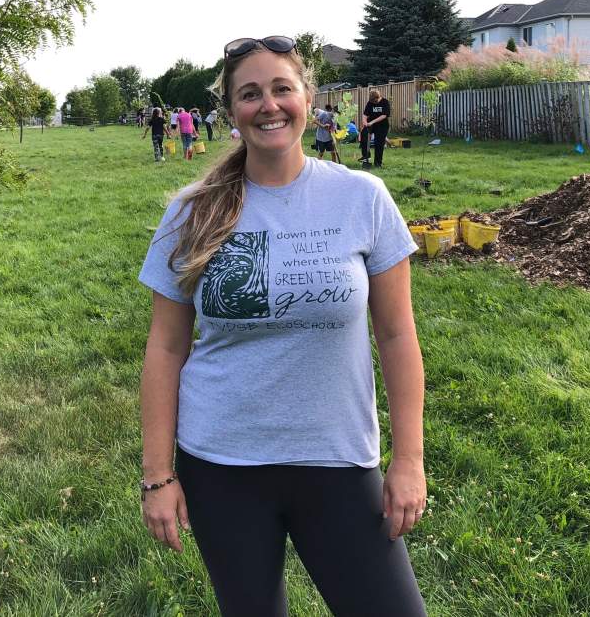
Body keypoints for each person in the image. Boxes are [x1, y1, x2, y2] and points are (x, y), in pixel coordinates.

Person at [138, 35, 427, 616]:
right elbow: (165, 349)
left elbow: (397, 336)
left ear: (307, 98)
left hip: (338, 459)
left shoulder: (361, 198)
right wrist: (157, 476)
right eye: (249, 94)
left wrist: (409, 459)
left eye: (281, 89)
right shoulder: (192, 211)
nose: (267, 105)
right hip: (222, 464)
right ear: (231, 112)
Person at [360, 90, 391, 169]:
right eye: (372, 101)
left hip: (382, 126)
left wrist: (372, 122)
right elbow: (365, 115)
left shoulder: (385, 102)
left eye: (375, 101)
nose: (374, 102)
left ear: (378, 97)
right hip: (370, 125)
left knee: (379, 144)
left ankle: (378, 163)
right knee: (363, 135)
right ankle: (366, 156)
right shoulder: (370, 103)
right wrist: (364, 122)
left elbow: (384, 115)